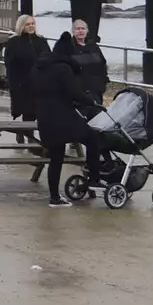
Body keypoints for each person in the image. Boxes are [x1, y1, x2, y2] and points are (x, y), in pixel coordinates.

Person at [34, 37, 105, 207]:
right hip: (63, 117)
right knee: (93, 138)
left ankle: (54, 198)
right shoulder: (63, 69)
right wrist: (91, 101)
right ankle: (94, 177)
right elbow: (75, 92)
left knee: (56, 158)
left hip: (45, 117)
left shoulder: (38, 67)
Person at [2, 15, 51, 122]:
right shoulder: (13, 42)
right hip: (23, 82)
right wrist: (14, 82)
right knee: (26, 111)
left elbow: (49, 58)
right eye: (27, 24)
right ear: (21, 26)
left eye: (32, 23)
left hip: (39, 81)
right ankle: (26, 134)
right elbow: (9, 63)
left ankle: (33, 136)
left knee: (40, 112)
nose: (31, 26)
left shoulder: (41, 40)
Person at [62, 19, 109, 103]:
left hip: (96, 90)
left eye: (83, 29)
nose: (80, 31)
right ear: (73, 31)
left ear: (87, 31)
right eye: (78, 29)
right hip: (78, 92)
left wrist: (103, 83)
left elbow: (103, 64)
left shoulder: (94, 47)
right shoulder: (68, 48)